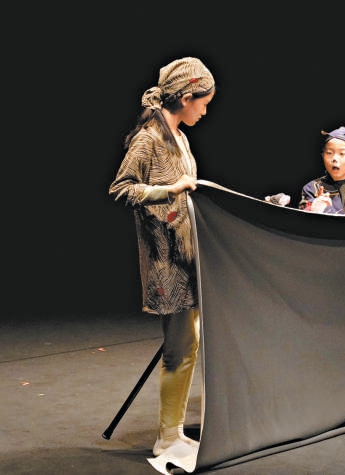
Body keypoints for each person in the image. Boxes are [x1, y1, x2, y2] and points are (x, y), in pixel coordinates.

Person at [109, 57, 216, 458]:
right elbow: (121, 189)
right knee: (179, 350)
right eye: (203, 102)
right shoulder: (149, 139)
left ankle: (174, 432)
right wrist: (169, 190)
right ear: (186, 97)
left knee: (188, 346)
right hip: (165, 261)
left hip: (187, 255)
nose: (205, 110)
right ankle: (167, 437)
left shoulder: (179, 137)